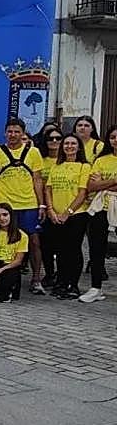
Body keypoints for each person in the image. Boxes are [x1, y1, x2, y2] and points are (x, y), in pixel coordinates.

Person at [0, 118, 47, 294]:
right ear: (5, 132)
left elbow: (37, 180)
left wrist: (41, 204)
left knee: (34, 241)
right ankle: (3, 277)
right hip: (6, 205)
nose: (12, 135)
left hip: (28, 204)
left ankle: (36, 279)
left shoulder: (33, 152)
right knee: (3, 240)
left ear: (23, 133)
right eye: (9, 131)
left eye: (16, 131)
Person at [43, 134, 91, 299]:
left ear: (79, 147)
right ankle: (61, 282)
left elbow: (82, 192)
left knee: (73, 250)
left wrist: (67, 213)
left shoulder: (84, 167)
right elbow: (48, 189)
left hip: (76, 215)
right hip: (56, 216)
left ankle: (73, 285)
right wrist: (50, 210)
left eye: (73, 144)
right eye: (66, 143)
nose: (69, 146)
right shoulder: (57, 166)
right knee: (61, 251)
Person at [83, 125, 117, 303]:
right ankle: (95, 288)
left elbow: (99, 184)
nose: (116, 140)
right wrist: (113, 181)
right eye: (112, 137)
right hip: (101, 207)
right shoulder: (101, 160)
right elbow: (92, 186)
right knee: (97, 248)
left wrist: (104, 182)